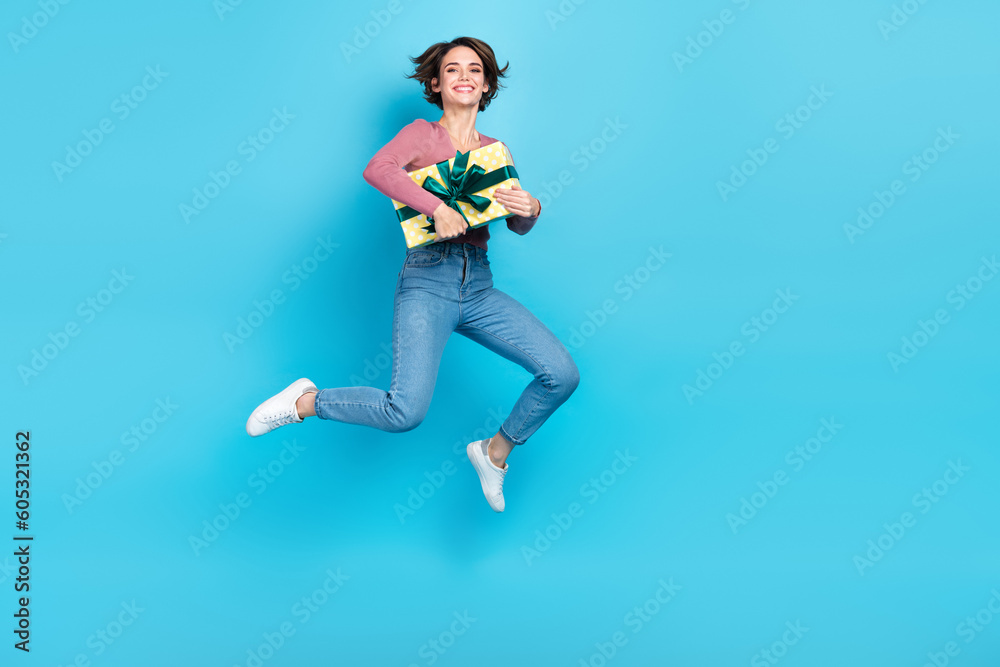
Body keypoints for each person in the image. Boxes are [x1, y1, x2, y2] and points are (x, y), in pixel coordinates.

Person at [245, 36, 580, 512]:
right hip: (428, 281)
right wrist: (437, 207)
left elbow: (517, 224)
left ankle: (494, 453)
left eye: (475, 70)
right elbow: (378, 169)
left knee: (561, 375)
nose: (464, 76)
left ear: (486, 86)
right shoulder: (423, 134)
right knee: (405, 412)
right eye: (453, 69)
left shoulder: (495, 150)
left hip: (478, 283)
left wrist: (533, 207)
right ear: (436, 82)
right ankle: (304, 401)